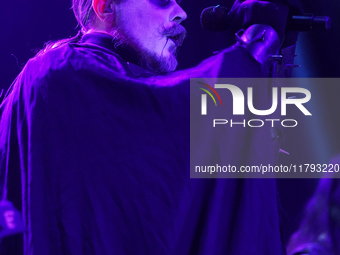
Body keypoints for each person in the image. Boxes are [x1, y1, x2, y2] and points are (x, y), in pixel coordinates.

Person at [0, 0, 298, 254]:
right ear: (104, 7)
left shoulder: (58, 76)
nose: (180, 12)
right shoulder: (63, 72)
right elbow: (179, 128)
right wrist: (260, 40)